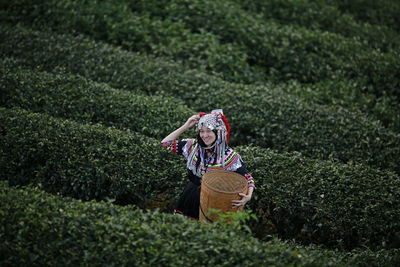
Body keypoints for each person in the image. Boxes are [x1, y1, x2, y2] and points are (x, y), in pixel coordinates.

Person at [161, 109, 255, 220]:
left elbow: (248, 179)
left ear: (218, 132)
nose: (204, 135)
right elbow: (165, 143)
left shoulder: (229, 156)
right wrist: (186, 126)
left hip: (214, 202)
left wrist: (248, 196)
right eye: (201, 131)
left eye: (209, 131)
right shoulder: (192, 146)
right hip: (190, 197)